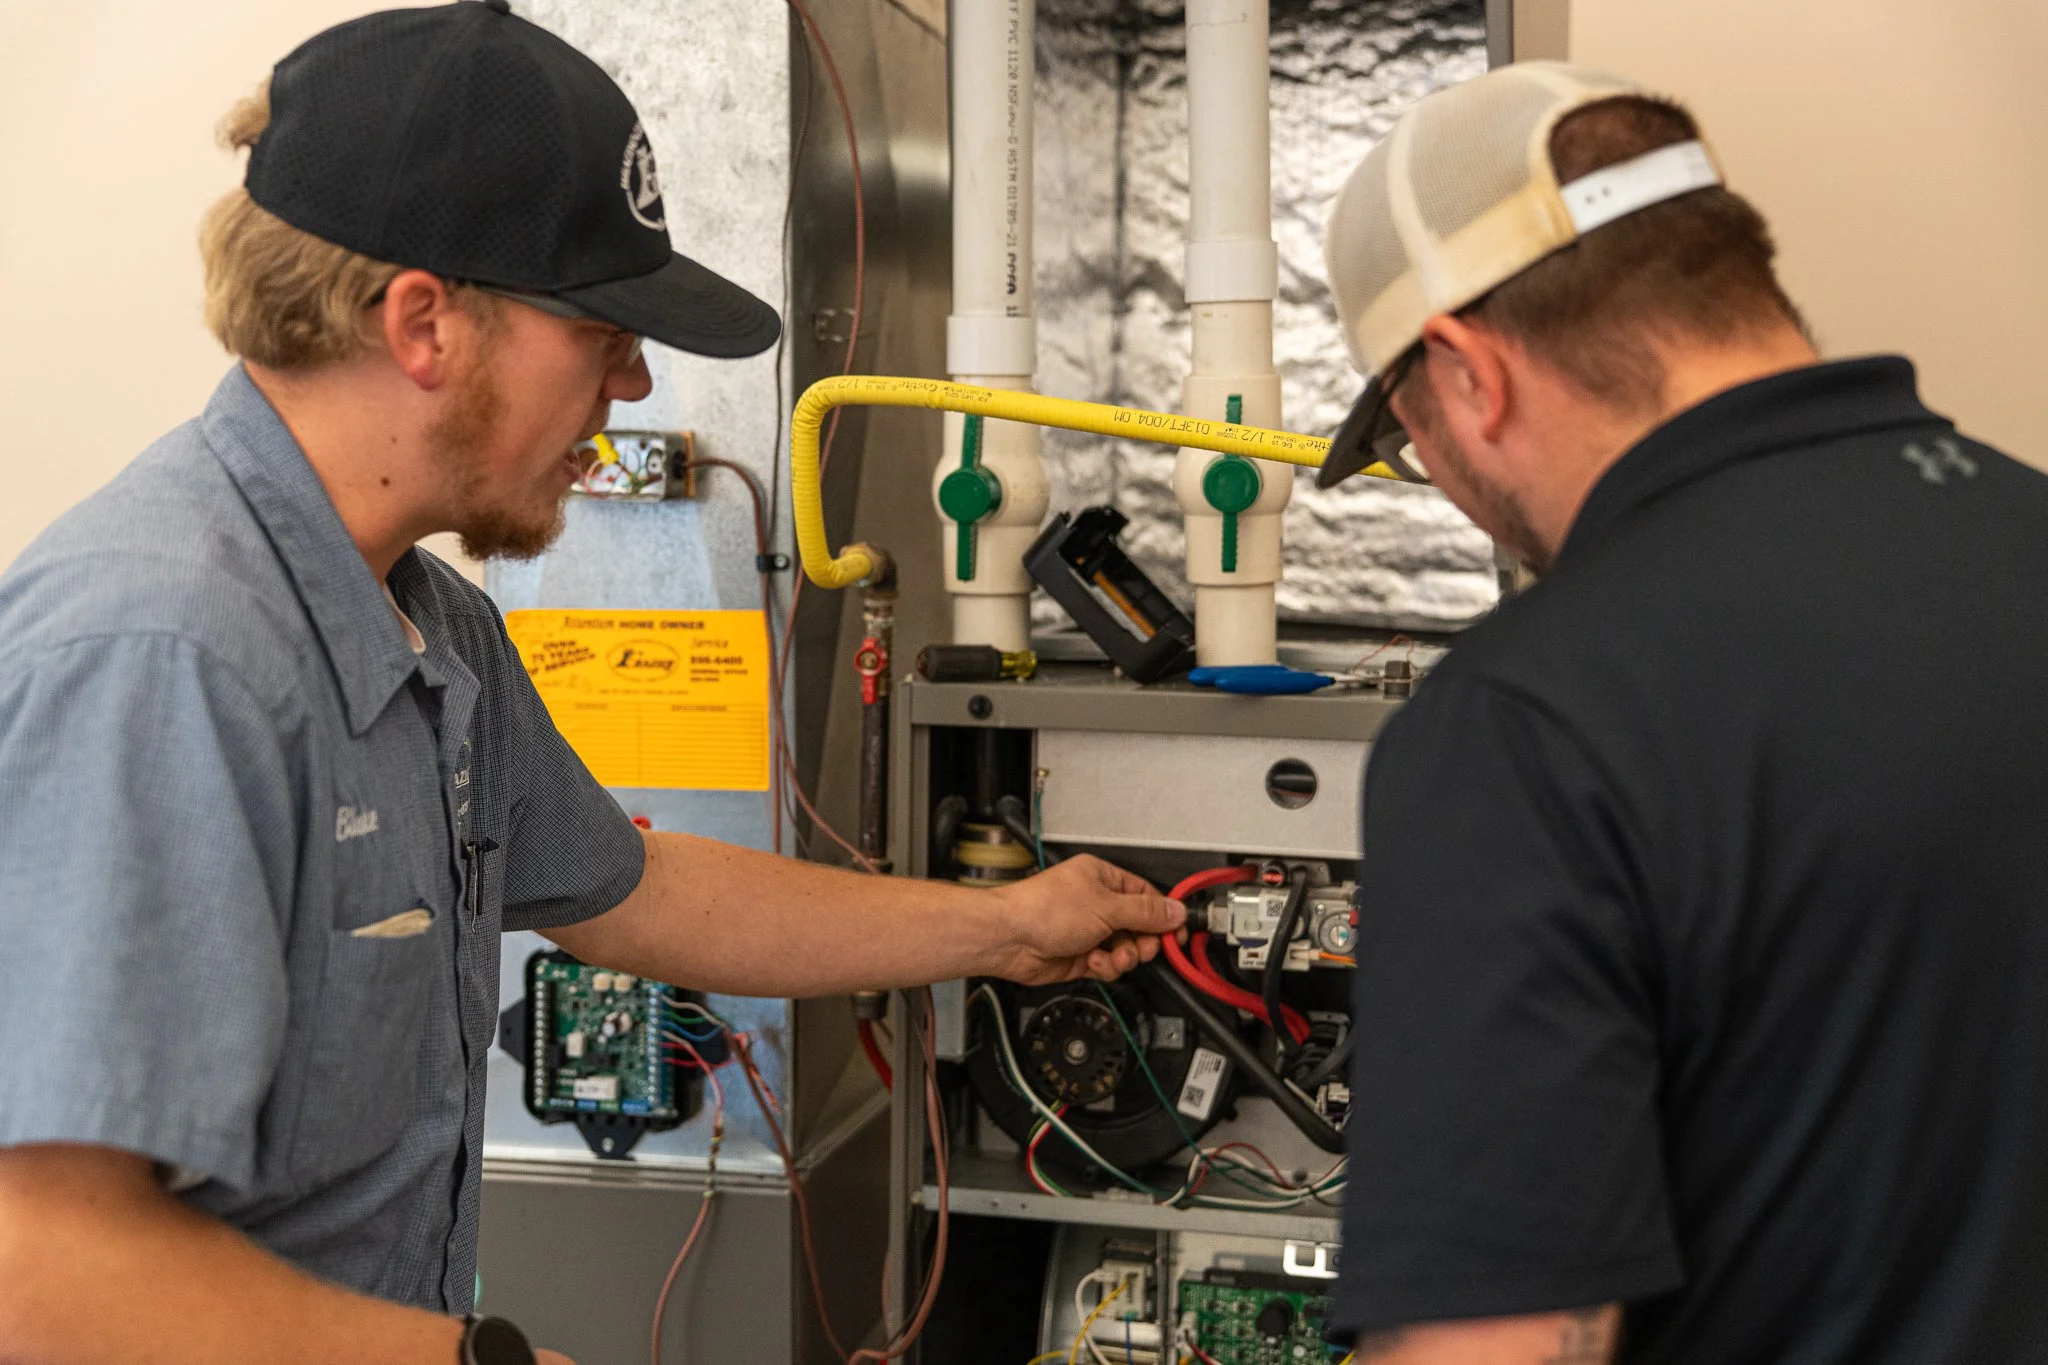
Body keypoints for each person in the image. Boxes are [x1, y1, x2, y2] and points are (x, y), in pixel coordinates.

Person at [0, 5, 1180, 1363]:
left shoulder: (431, 626)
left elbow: (634, 888)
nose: (633, 384)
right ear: (426, 323)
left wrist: (1003, 926)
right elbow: (44, 1277)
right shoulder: (166, 660)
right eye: (602, 332)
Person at [1313, 63, 2048, 1363]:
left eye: (1409, 435)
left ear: (1467, 373)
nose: (1440, 479)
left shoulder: (1527, 724)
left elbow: (1490, 1345)